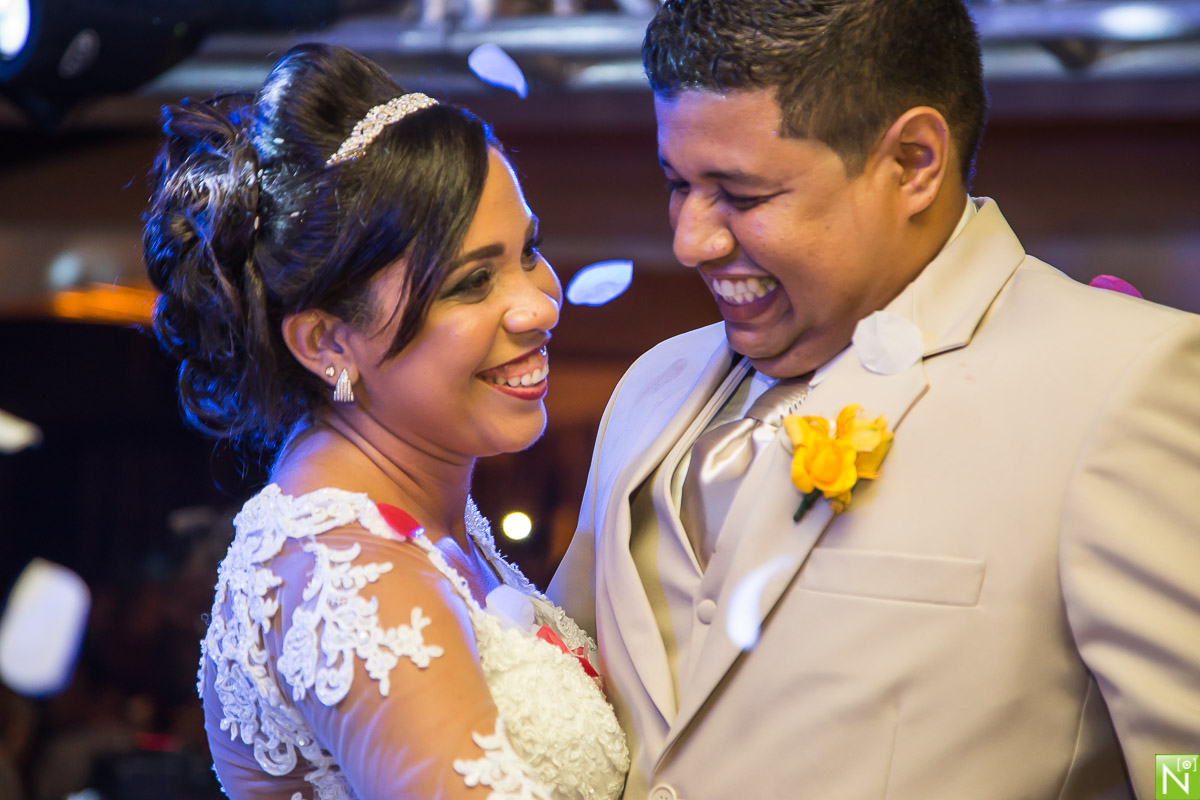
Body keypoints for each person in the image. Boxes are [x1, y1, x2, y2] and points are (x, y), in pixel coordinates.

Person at [548, 1, 1200, 798]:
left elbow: (1188, 756)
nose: (690, 240)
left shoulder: (1119, 380)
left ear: (915, 161)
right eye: (675, 184)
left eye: (742, 196)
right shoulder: (653, 383)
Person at [143, 43, 628, 800]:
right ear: (327, 341)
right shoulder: (347, 576)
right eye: (471, 283)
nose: (540, 306)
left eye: (528, 252)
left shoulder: (418, 521)